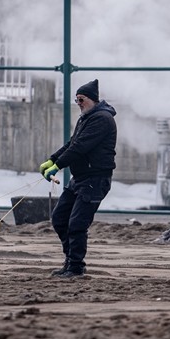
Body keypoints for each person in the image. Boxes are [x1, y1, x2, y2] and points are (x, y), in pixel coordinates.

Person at [38, 79, 117, 278]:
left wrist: (58, 166)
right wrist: (52, 159)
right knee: (59, 219)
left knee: (77, 224)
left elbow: (81, 147)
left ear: (92, 99)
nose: (79, 104)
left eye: (81, 99)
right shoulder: (86, 118)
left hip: (95, 180)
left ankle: (75, 267)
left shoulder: (102, 119)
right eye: (76, 100)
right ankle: (70, 261)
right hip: (79, 178)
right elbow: (72, 143)